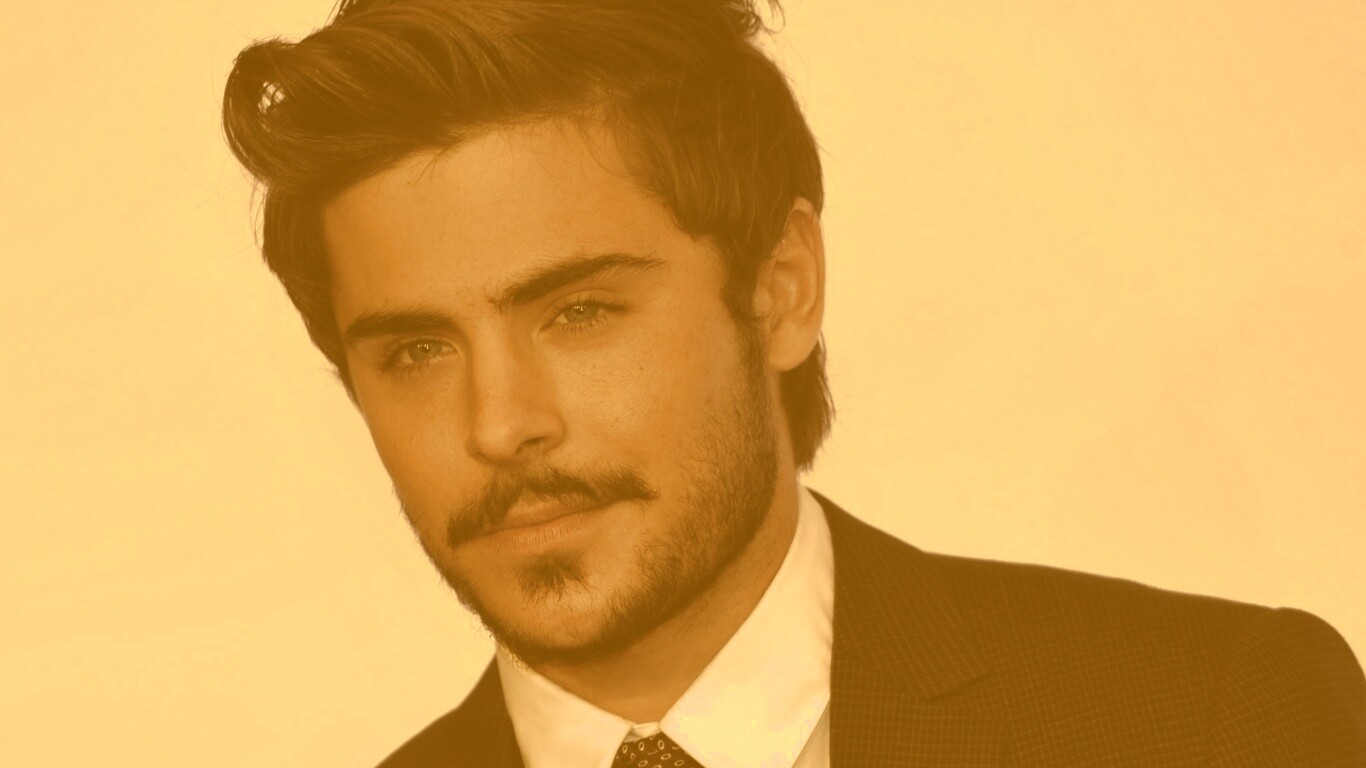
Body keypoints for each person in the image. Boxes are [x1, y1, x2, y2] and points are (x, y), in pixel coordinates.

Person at [221, 1, 1365, 765]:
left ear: (780, 291)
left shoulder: (1212, 724)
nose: (502, 423)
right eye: (416, 351)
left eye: (579, 312)